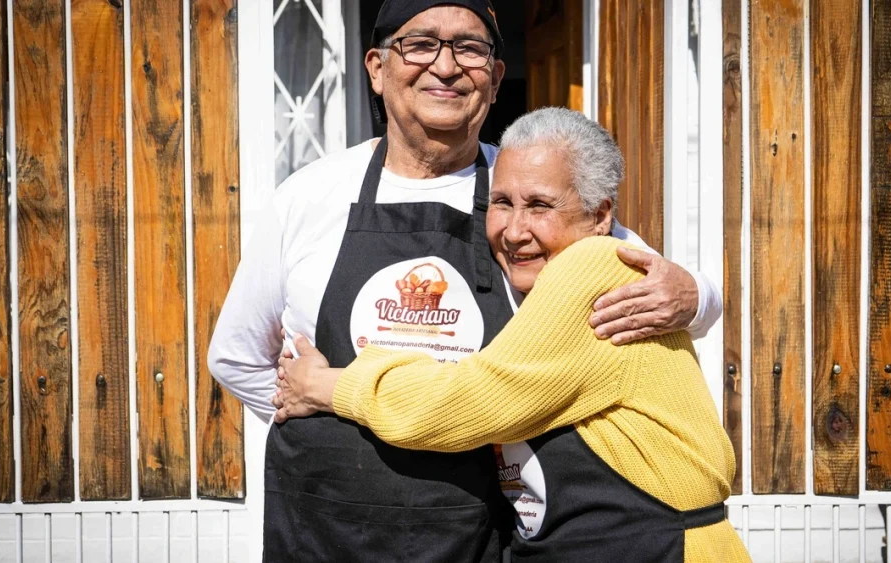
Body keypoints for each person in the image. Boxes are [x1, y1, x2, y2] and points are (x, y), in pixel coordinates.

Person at [208, 1, 722, 561]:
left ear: (496, 78)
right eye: (421, 44)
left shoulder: (523, 180)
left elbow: (652, 282)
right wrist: (323, 430)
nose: (446, 66)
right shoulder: (308, 197)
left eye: (470, 48)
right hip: (327, 530)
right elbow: (236, 356)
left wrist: (696, 293)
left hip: (471, 531)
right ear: (377, 69)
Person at [272, 108, 750, 562]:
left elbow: (468, 401)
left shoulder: (594, 267)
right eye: (501, 202)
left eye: (540, 206)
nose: (515, 230)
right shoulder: (312, 192)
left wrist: (327, 385)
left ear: (601, 216)